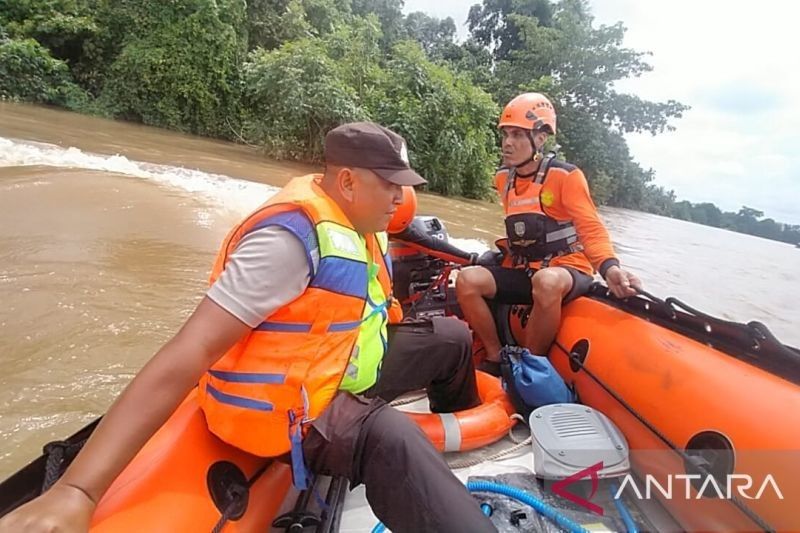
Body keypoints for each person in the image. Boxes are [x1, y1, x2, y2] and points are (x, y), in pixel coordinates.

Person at [0, 122, 495, 533]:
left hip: (337, 364)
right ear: (347, 182)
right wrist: (77, 489)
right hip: (292, 412)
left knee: (451, 337)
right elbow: (188, 351)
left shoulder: (362, 227)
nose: (400, 197)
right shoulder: (286, 243)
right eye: (391, 184)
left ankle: (458, 428)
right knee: (390, 437)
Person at [456, 93, 642, 368]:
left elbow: (590, 227)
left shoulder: (565, 177)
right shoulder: (502, 179)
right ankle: (496, 357)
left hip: (567, 269)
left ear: (540, 138)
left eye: (518, 135)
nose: (507, 143)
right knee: (467, 280)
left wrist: (609, 267)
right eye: (505, 134)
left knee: (546, 281)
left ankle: (529, 368)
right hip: (526, 271)